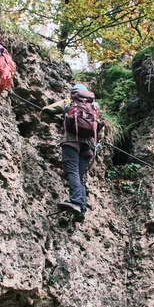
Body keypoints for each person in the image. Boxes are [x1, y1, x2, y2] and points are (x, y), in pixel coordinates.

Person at [44, 84, 103, 220]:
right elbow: (100, 131)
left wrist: (61, 120)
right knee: (79, 175)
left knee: (72, 171)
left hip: (71, 143)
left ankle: (76, 202)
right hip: (88, 148)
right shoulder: (94, 107)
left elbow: (46, 111)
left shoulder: (69, 102)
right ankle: (81, 209)